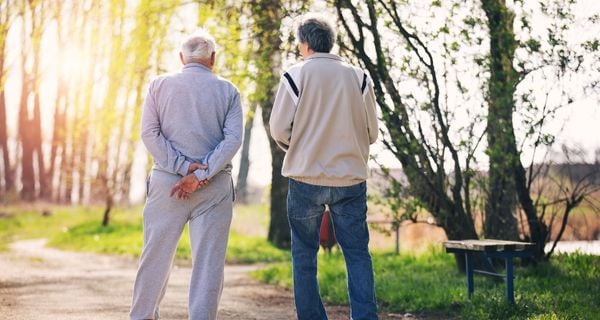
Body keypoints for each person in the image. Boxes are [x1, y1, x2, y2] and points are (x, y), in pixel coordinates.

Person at [269, 13, 379, 320]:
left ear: (304, 44)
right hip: (350, 178)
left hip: (306, 178)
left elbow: (278, 129)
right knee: (357, 255)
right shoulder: (359, 77)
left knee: (304, 255)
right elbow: (372, 132)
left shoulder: (296, 75)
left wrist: (300, 147)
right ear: (329, 43)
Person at [130, 29, 243, 320]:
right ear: (213, 59)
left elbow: (149, 133)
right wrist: (201, 173)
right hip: (214, 186)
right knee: (208, 265)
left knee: (155, 257)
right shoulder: (228, 91)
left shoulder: (159, 85)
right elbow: (232, 141)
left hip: (167, 184)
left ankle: (141, 317)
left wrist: (181, 167)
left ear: (181, 58)